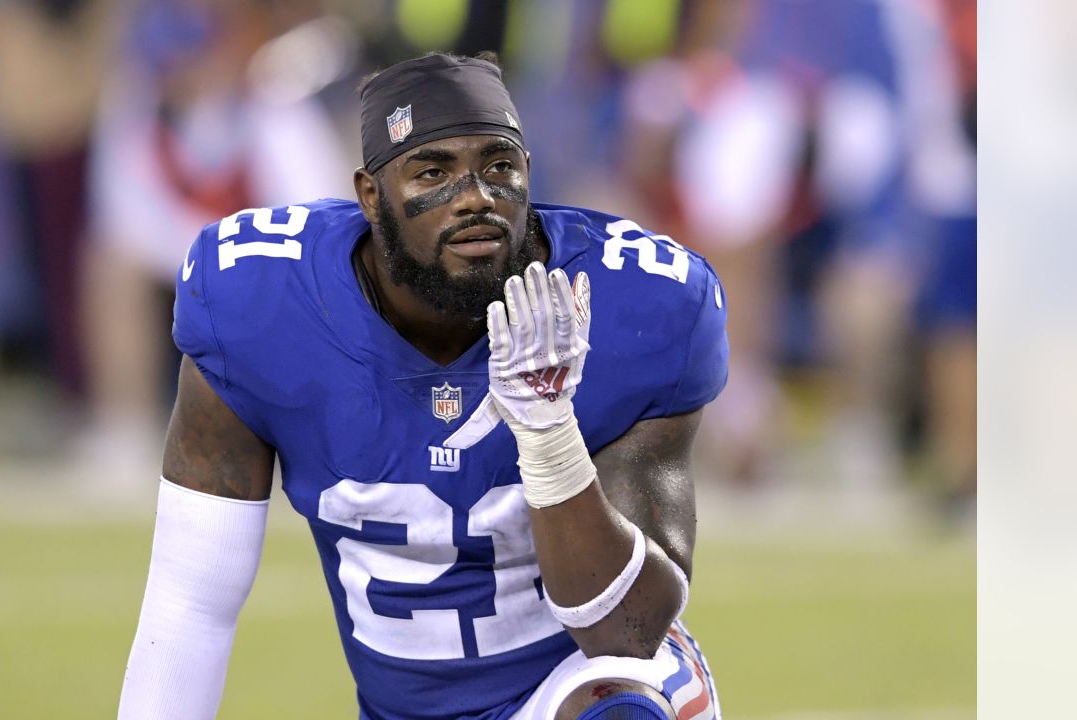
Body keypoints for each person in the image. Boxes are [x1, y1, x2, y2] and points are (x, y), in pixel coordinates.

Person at [118, 52, 728, 720]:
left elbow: (628, 634)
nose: (475, 197)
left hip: (578, 687)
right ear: (371, 195)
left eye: (500, 166)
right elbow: (189, 604)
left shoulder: (633, 304)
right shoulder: (258, 302)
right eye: (433, 171)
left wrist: (550, 434)